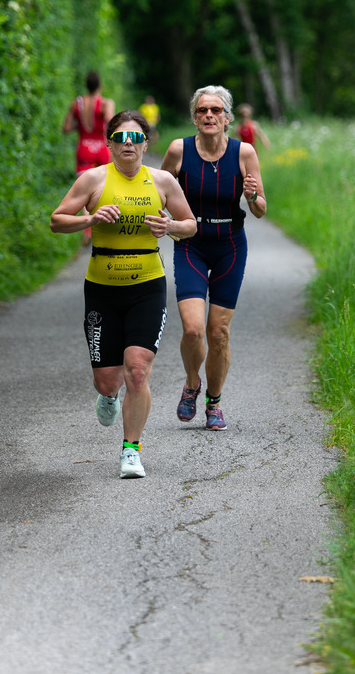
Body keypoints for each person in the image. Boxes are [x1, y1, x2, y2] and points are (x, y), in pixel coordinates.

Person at [50, 109, 196, 478]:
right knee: (108, 379)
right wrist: (90, 219)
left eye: (135, 138)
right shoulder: (93, 180)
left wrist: (170, 226)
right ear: (110, 144)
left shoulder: (162, 181)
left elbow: (190, 225)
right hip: (102, 290)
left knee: (138, 370)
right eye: (120, 138)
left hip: (147, 286)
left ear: (146, 144)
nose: (128, 144)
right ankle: (107, 395)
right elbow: (57, 220)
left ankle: (131, 450)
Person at [161, 85, 267, 431]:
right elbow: (158, 193)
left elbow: (261, 209)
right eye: (202, 110)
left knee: (218, 332)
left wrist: (252, 196)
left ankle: (214, 401)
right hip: (190, 243)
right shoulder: (178, 150)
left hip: (229, 246)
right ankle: (192, 383)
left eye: (216, 110)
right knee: (193, 330)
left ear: (227, 118)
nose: (209, 115)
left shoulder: (244, 152)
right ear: (194, 118)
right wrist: (165, 221)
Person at [62, 71, 115, 245]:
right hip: (101, 148)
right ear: (100, 85)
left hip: (84, 147)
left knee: (84, 191)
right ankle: (105, 225)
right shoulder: (106, 103)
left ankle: (87, 230)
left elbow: (66, 128)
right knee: (104, 186)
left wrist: (80, 126)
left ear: (86, 85)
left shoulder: (76, 104)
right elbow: (111, 124)